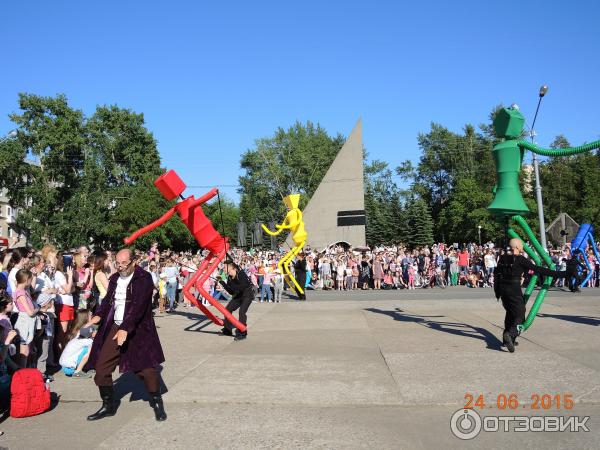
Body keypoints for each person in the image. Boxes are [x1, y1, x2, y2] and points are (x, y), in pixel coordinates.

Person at [83, 249, 166, 422]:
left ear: (134, 261)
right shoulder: (114, 279)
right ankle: (109, 405)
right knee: (101, 369)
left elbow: (138, 307)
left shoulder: (143, 278)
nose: (120, 267)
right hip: (115, 327)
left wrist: (125, 329)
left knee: (147, 371)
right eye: (117, 263)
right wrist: (99, 315)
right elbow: (107, 301)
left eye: (124, 263)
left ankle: (156, 400)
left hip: (138, 330)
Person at [494, 238, 570, 353]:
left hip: (503, 289)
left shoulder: (502, 259)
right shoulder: (520, 259)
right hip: (513, 289)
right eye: (521, 245)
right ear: (517, 247)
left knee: (510, 313)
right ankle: (511, 334)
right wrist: (562, 274)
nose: (522, 247)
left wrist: (498, 291)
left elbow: (497, 274)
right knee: (520, 313)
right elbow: (538, 269)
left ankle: (508, 339)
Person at [219, 259, 254, 340]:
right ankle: (228, 330)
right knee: (227, 310)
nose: (223, 269)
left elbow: (243, 286)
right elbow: (231, 292)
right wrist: (223, 284)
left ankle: (242, 332)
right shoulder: (229, 278)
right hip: (238, 296)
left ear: (231, 268)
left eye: (225, 267)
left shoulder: (241, 274)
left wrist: (234, 288)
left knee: (242, 312)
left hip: (247, 295)